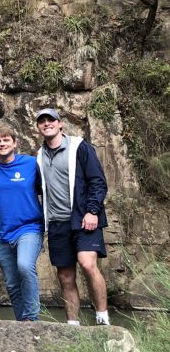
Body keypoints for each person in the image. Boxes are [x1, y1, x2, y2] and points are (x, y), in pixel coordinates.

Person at [35, 108, 110, 325]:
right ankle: (72, 325)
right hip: (57, 223)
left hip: (84, 219)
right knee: (65, 277)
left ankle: (102, 318)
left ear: (60, 124)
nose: (47, 123)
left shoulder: (79, 147)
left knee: (87, 264)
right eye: (42, 121)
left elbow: (98, 181)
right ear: (38, 127)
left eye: (51, 120)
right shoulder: (39, 156)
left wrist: (92, 211)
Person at [0, 125, 44, 321]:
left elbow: (49, 185)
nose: (2, 144)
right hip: (3, 234)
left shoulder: (32, 164)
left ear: (15, 143)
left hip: (29, 228)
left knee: (24, 266)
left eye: (6, 140)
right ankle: (21, 321)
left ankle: (32, 319)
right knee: (12, 283)